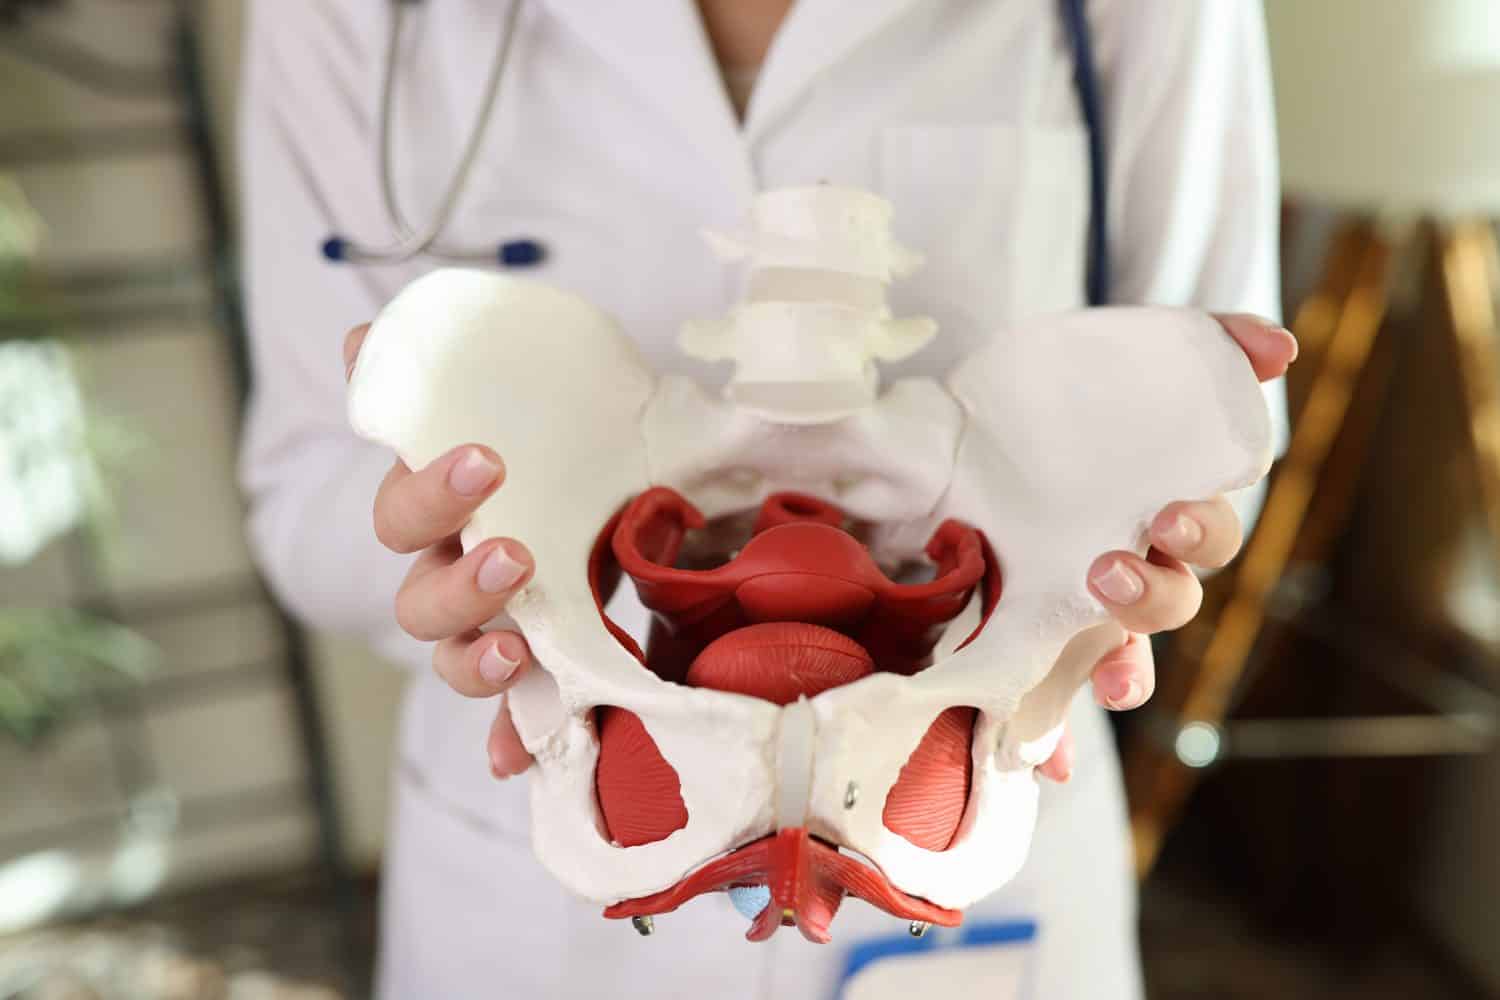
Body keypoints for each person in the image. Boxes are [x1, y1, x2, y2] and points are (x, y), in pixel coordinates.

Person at [237, 1, 1293, 997]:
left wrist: (1113, 564)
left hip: (965, 821)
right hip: (528, 884)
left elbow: (1187, 441)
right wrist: (480, 580)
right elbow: (307, 492)